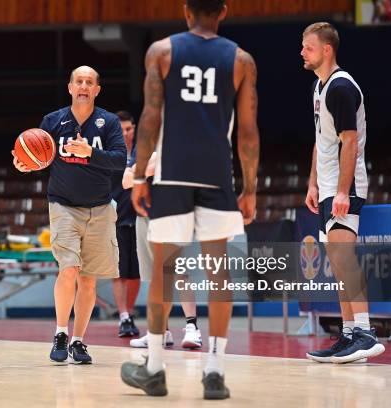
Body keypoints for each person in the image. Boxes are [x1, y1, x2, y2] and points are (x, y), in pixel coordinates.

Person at [120, 0, 259, 400]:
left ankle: (156, 369)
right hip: (217, 176)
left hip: (173, 174)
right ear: (224, 11)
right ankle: (214, 371)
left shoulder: (161, 52)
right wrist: (249, 188)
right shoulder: (242, 60)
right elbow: (248, 132)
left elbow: (150, 118)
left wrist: (142, 173)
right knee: (219, 273)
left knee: (165, 269)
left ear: (186, 11)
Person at [12, 66, 127, 364]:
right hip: (63, 206)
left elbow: (119, 161)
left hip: (100, 208)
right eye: (79, 81)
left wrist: (90, 152)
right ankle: (61, 332)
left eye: (90, 82)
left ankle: (79, 341)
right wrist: (25, 163)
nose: (84, 85)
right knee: (68, 269)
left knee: (88, 280)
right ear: (70, 87)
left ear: (97, 90)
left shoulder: (109, 122)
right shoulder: (53, 121)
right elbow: (39, 154)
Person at [301, 22, 385, 363]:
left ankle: (364, 332)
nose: (302, 52)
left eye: (307, 47)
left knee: (344, 257)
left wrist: (341, 191)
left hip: (344, 185)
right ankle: (349, 333)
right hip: (327, 185)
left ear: (326, 50)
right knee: (337, 262)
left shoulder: (341, 87)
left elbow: (349, 143)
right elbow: (321, 138)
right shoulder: (318, 88)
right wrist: (312, 182)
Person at [123, 152, 202, 350]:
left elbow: (165, 169)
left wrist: (141, 170)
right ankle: (160, 331)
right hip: (144, 217)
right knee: (154, 277)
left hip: (173, 214)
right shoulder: (141, 150)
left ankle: (192, 327)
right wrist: (148, 167)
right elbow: (125, 181)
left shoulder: (178, 143)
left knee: (179, 274)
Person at [111, 110, 141, 338]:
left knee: (136, 274)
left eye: (129, 129)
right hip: (117, 218)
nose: (125, 133)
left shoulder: (144, 151)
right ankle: (123, 316)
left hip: (141, 217)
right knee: (119, 273)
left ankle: (130, 312)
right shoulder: (110, 153)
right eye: (120, 130)